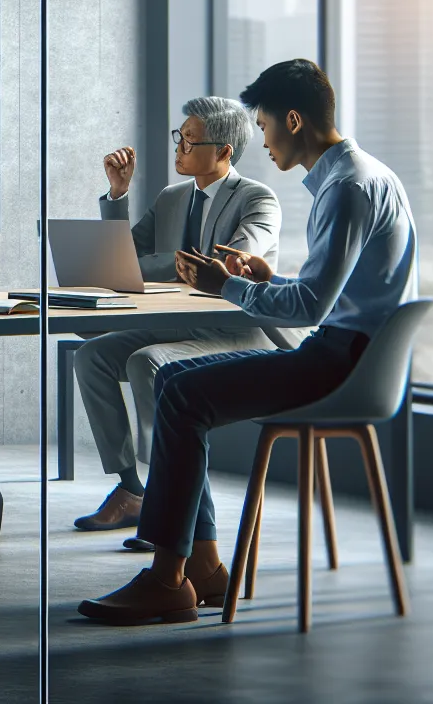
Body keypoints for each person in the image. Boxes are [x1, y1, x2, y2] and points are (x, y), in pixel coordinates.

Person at [77, 59, 418, 625]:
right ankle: (205, 569)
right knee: (171, 380)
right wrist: (265, 279)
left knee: (181, 394)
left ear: (293, 119)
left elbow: (313, 308)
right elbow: (321, 292)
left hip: (339, 362)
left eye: (262, 126)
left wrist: (226, 283)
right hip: (353, 356)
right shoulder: (365, 176)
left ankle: (166, 579)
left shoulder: (346, 188)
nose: (261, 139)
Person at [70, 96, 283, 540]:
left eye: (190, 140)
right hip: (176, 328)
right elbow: (123, 260)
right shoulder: (171, 198)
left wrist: (161, 262)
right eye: (179, 137)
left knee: (146, 361)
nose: (179, 148)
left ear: (224, 151)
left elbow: (232, 264)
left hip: (234, 335)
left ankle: (169, 499)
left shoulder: (257, 199)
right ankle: (132, 490)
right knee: (92, 355)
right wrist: (118, 194)